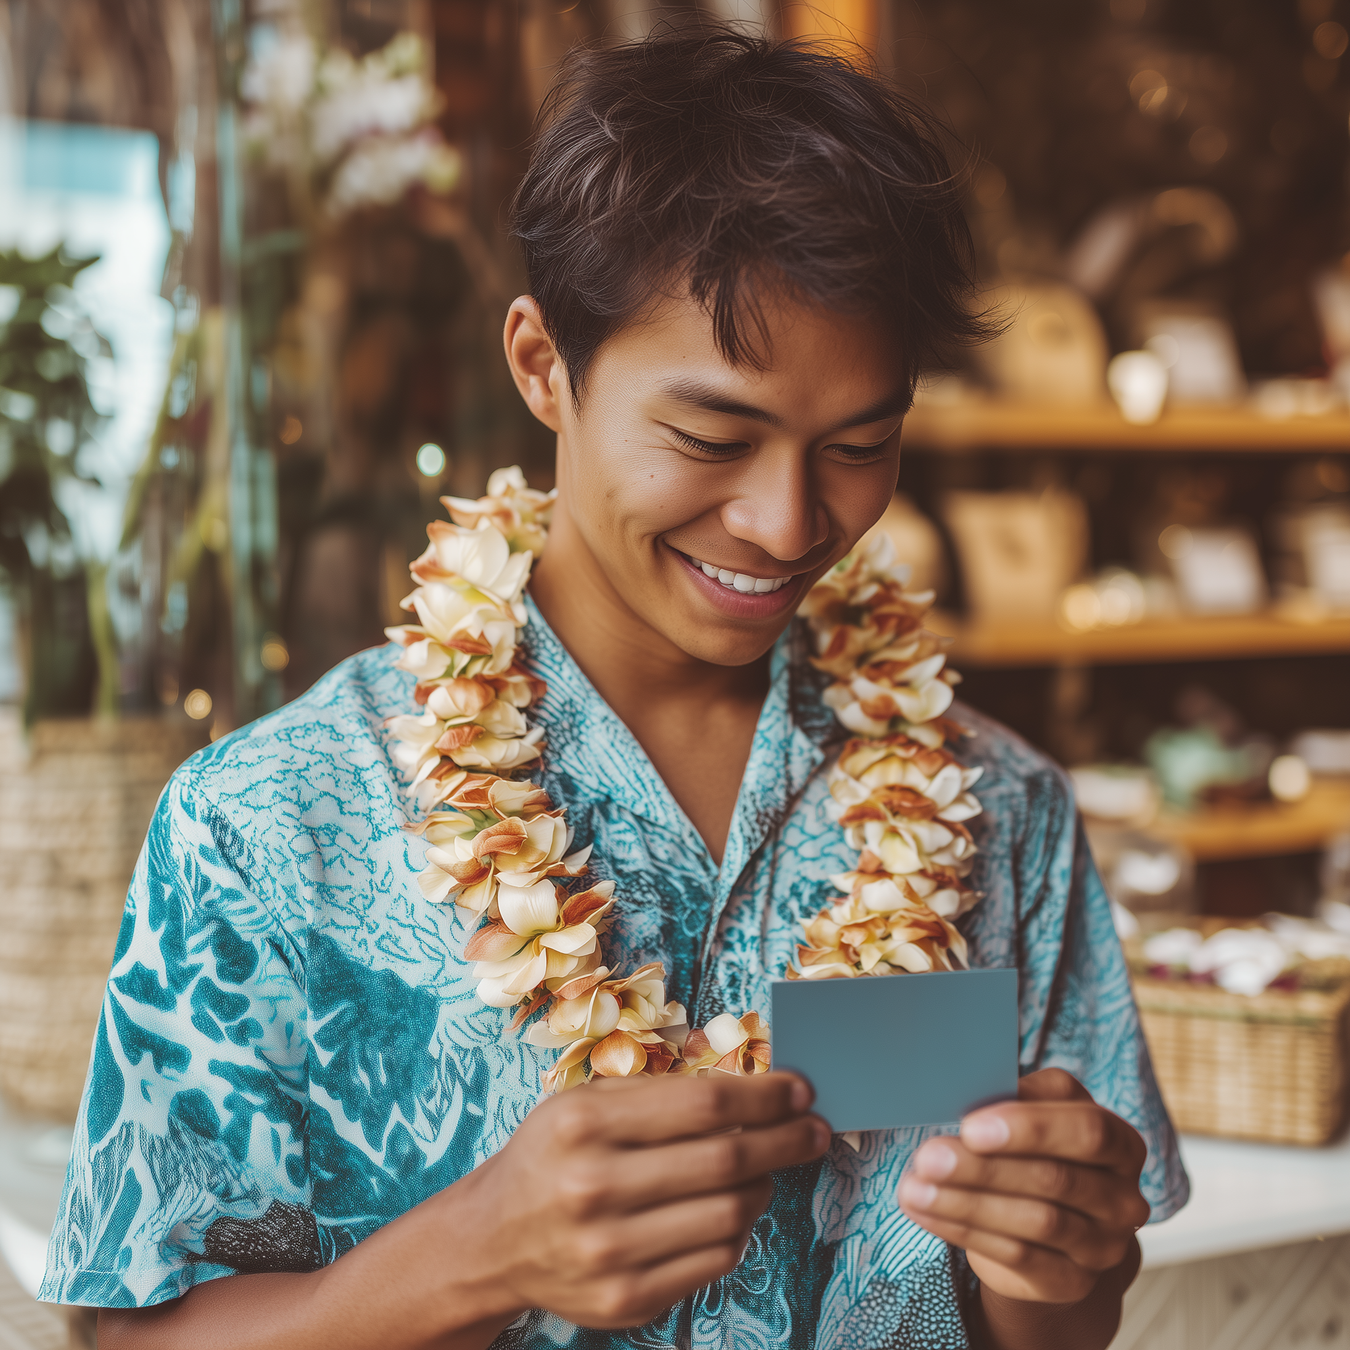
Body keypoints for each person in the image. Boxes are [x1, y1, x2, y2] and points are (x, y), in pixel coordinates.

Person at [42, 29, 1186, 1350]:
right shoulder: (261, 821)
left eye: (860, 445)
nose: (783, 517)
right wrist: (467, 1256)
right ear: (542, 365)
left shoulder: (1005, 813)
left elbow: (1058, 1318)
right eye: (711, 436)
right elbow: (126, 1338)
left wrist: (1059, 1270)